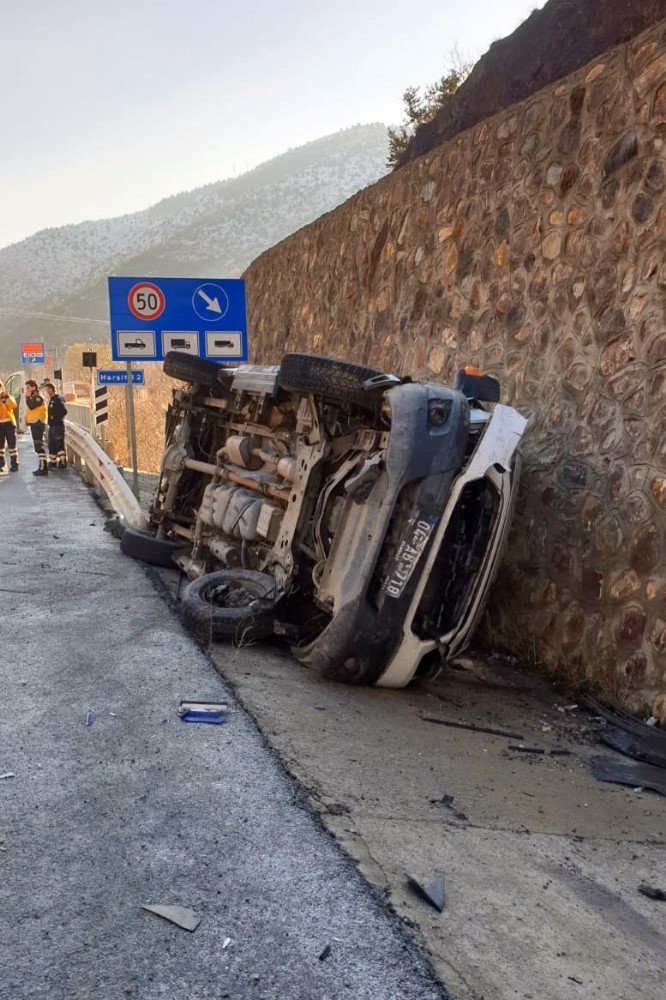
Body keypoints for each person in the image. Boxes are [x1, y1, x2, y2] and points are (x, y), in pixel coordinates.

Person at [24, 379, 49, 476]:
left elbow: (31, 406)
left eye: (28, 387)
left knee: (39, 447)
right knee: (37, 447)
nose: (27, 389)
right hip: (35, 424)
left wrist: (27, 397)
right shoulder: (33, 396)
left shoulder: (38, 397)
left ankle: (43, 468)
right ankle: (42, 467)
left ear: (33, 387)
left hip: (38, 424)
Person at [44, 382, 68, 469]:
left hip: (57, 426)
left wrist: (55, 418)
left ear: (51, 389)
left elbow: (64, 411)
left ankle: (62, 462)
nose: (46, 391)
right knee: (52, 445)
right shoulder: (52, 399)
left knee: (59, 445)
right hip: (52, 426)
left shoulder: (58, 399)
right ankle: (52, 462)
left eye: (47, 389)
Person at [0, 380, 19, 473]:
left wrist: (7, 399)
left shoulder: (7, 396)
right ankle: (1, 464)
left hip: (9, 424)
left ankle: (15, 464)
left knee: (12, 445)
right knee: (0, 446)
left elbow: (13, 405)